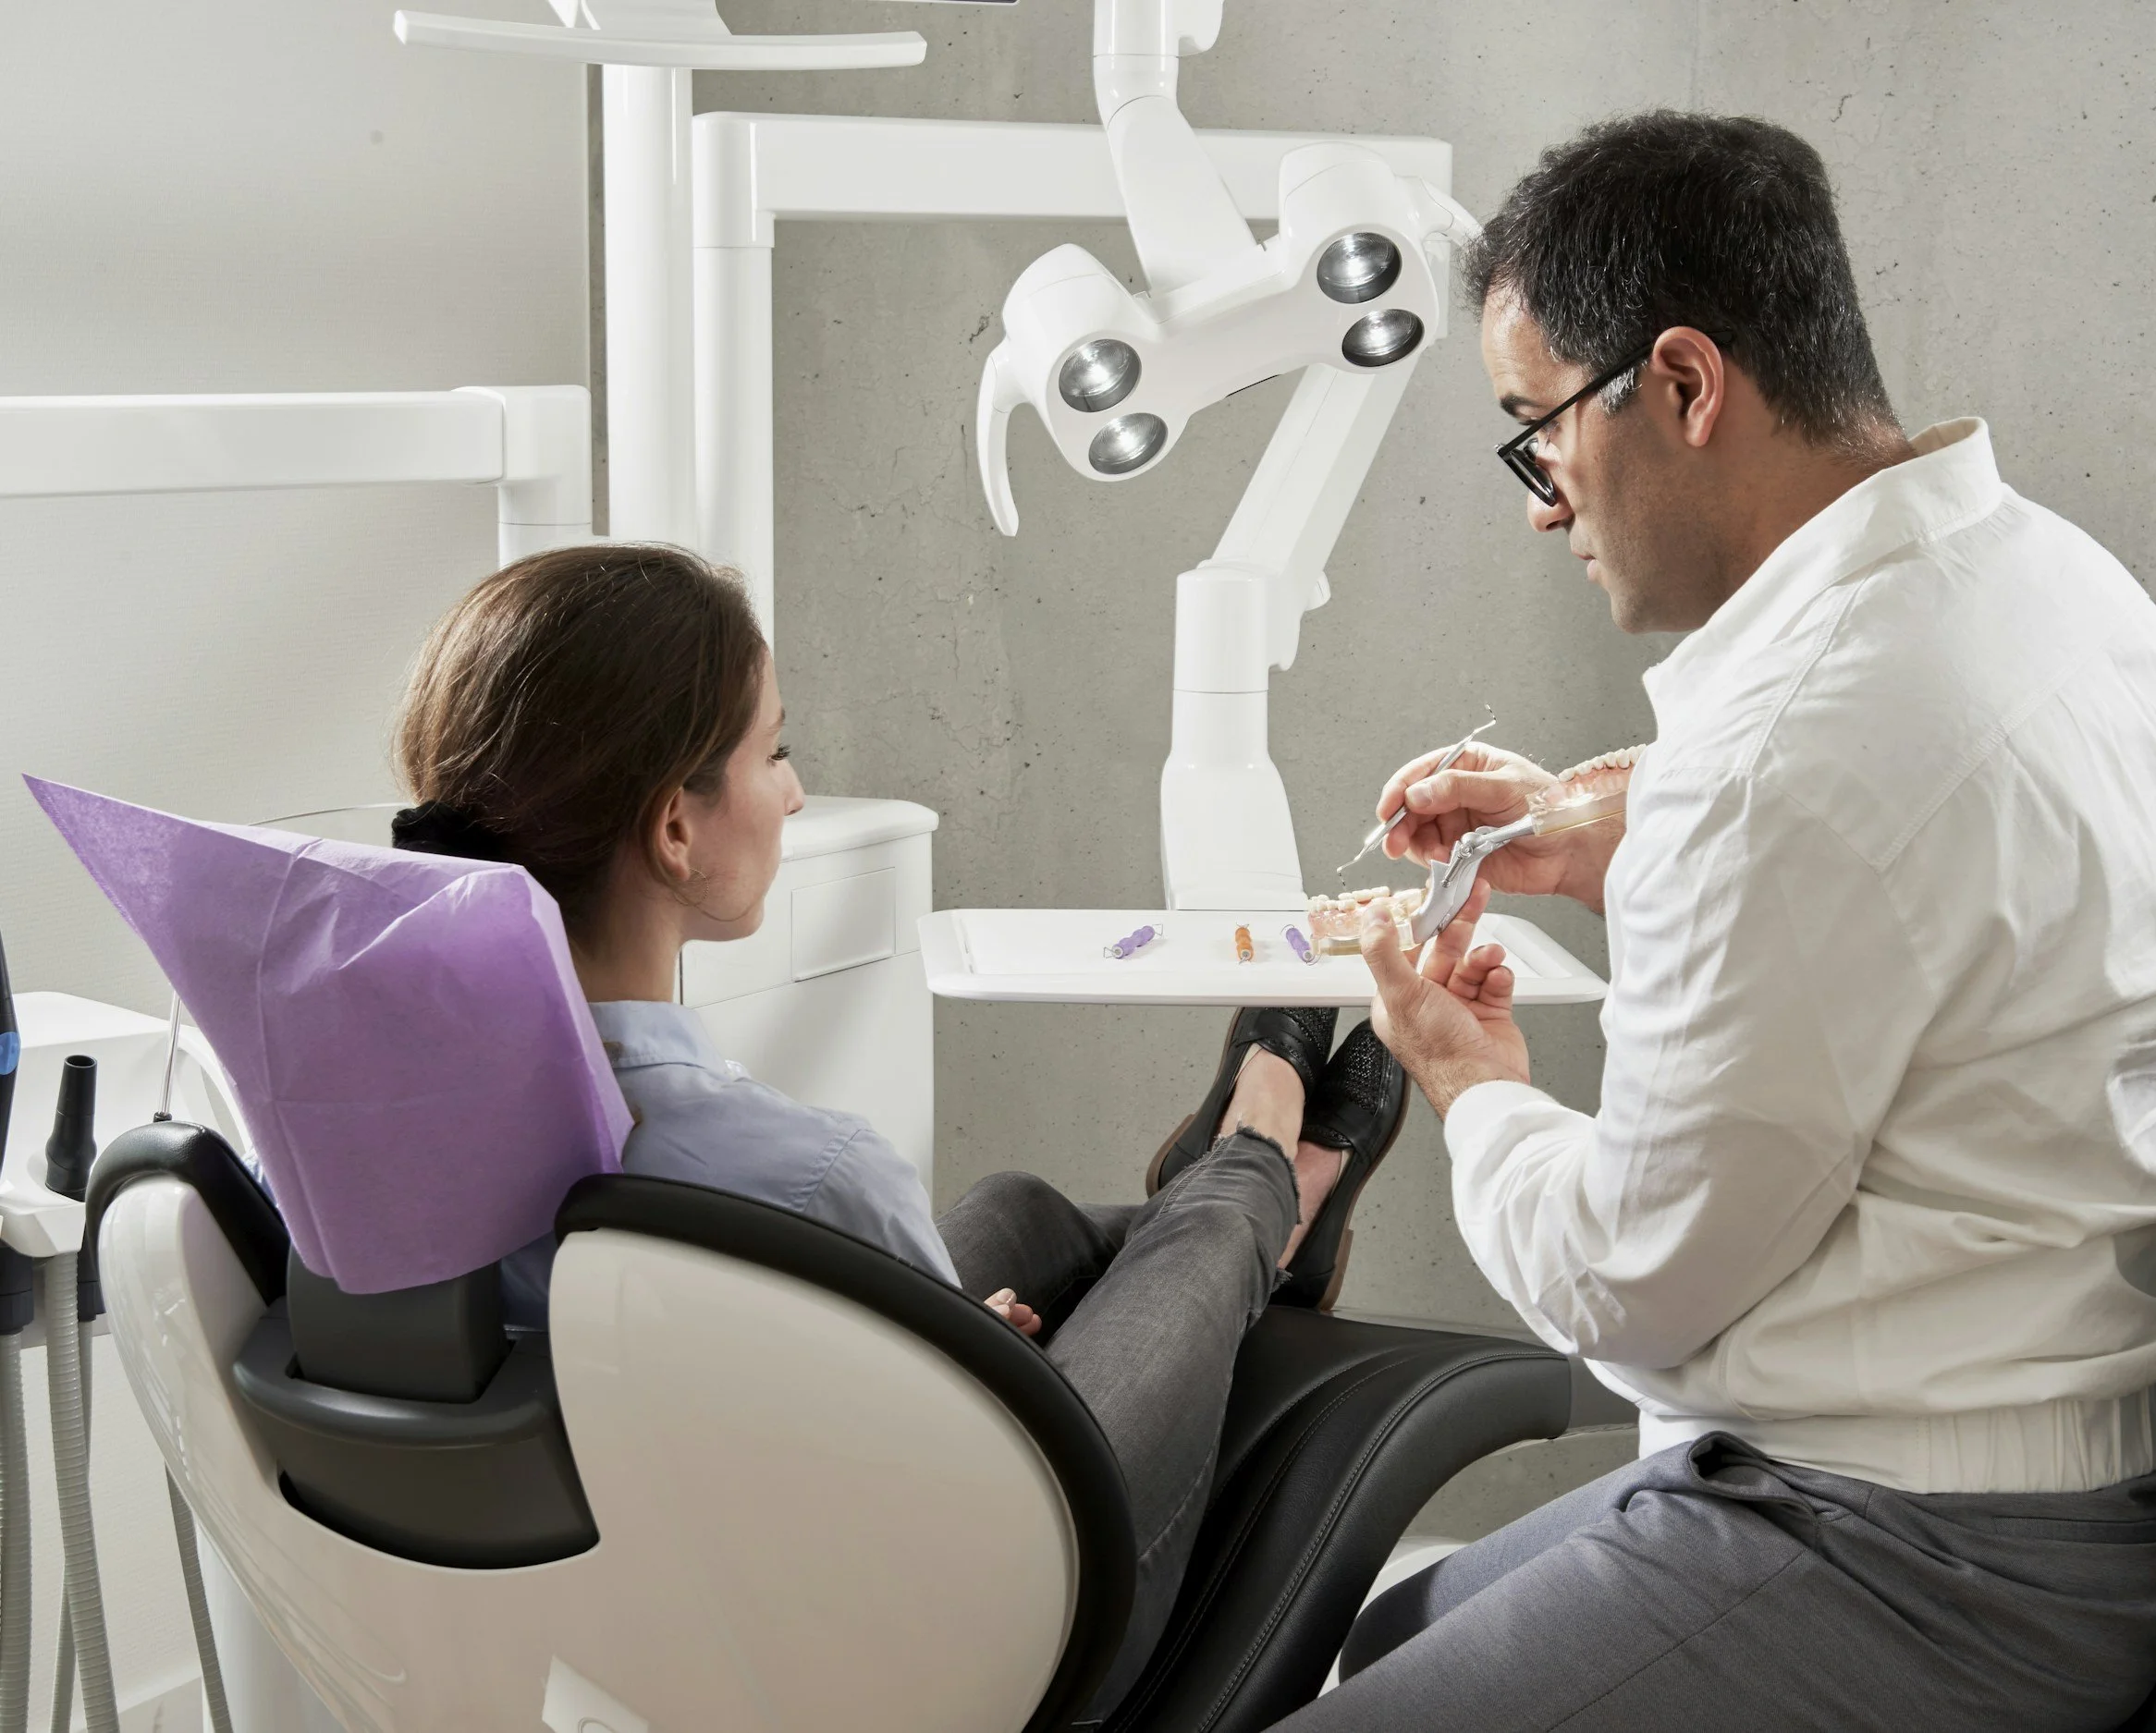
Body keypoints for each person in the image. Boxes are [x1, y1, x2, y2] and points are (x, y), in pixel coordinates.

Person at [1277, 112, 2156, 1730]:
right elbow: (1920, 837)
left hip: (1915, 1561)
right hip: (2087, 1503)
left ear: (1686, 385)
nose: (1541, 504)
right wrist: (1616, 825)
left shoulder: (1784, 762)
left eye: (1539, 432)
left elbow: (1628, 1282)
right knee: (1402, 1633)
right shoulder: (2065, 587)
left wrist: (1466, 1073)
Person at [386, 543, 1410, 1711]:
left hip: (670, 1600)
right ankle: (1269, 1165)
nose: (794, 792)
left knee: (1023, 1211)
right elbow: (961, 1479)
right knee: (1201, 1234)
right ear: (675, 830)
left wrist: (932, 1358)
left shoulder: (367, 1143)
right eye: (773, 750)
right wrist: (968, 1384)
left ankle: (1236, 1180)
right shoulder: (808, 1178)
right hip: (965, 1648)